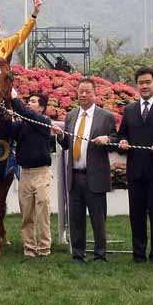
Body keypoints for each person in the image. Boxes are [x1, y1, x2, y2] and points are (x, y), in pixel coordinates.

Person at [116, 67, 153, 263]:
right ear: (137, 85)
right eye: (141, 83)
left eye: (148, 82)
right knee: (136, 215)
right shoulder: (129, 110)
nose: (144, 86)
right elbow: (122, 134)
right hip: (135, 171)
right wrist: (122, 141)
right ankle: (138, 253)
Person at [60, 78, 116, 262]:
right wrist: (60, 136)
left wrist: (107, 139)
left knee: (98, 219)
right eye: (81, 91)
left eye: (87, 92)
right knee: (76, 219)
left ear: (95, 93)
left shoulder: (105, 116)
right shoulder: (71, 116)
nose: (83, 95)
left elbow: (116, 139)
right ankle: (78, 254)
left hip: (95, 176)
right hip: (75, 176)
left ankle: (100, 254)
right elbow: (67, 144)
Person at [8, 90, 63, 258]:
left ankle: (44, 248)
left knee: (42, 213)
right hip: (25, 174)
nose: (29, 104)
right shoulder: (21, 124)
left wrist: (14, 99)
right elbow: (8, 130)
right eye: (28, 101)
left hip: (41, 173)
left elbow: (26, 112)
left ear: (41, 108)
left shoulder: (43, 121)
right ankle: (29, 248)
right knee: (27, 215)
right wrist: (3, 116)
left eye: (33, 101)